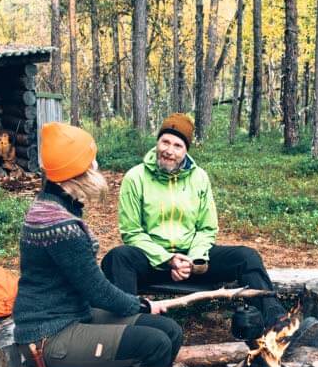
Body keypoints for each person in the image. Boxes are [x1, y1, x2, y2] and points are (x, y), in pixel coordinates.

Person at [13, 122, 183, 367]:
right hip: (51, 337)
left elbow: (90, 290)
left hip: (70, 316)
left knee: (170, 331)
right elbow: (98, 291)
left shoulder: (55, 207)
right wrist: (143, 305)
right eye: (90, 163)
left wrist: (143, 309)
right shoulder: (59, 226)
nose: (96, 169)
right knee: (154, 344)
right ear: (74, 171)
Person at [101, 113, 302, 340]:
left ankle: (277, 323)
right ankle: (131, 329)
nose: (169, 150)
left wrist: (194, 260)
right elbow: (132, 232)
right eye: (165, 142)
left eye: (178, 145)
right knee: (118, 257)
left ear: (186, 150)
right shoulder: (135, 177)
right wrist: (168, 259)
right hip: (153, 261)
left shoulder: (199, 178)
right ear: (157, 142)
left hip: (194, 262)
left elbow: (207, 229)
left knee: (247, 257)